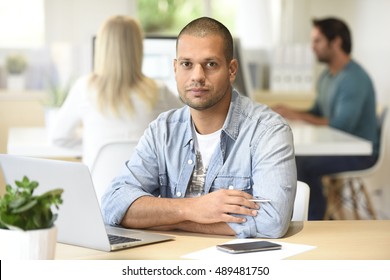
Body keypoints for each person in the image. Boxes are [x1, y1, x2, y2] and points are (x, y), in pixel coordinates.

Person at [101, 17, 296, 239]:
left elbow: (272, 221)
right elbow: (113, 204)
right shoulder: (162, 131)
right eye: (187, 64)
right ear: (175, 69)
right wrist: (193, 208)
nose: (197, 76)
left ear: (232, 70)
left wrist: (165, 221)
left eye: (210, 64)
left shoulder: (268, 130)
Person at [273, 17, 378, 220]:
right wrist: (291, 112)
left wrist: (298, 115)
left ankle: (313, 221)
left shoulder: (353, 79)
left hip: (360, 154)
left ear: (336, 42)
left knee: (302, 164)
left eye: (317, 40)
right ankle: (299, 215)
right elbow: (317, 112)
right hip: (340, 148)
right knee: (295, 158)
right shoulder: (328, 76)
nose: (312, 47)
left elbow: (341, 124)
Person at [49, 15, 182, 169]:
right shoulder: (159, 91)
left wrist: (94, 144)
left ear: (102, 47)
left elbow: (58, 138)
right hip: (146, 191)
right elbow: (189, 126)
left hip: (97, 191)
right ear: (138, 48)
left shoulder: (84, 88)